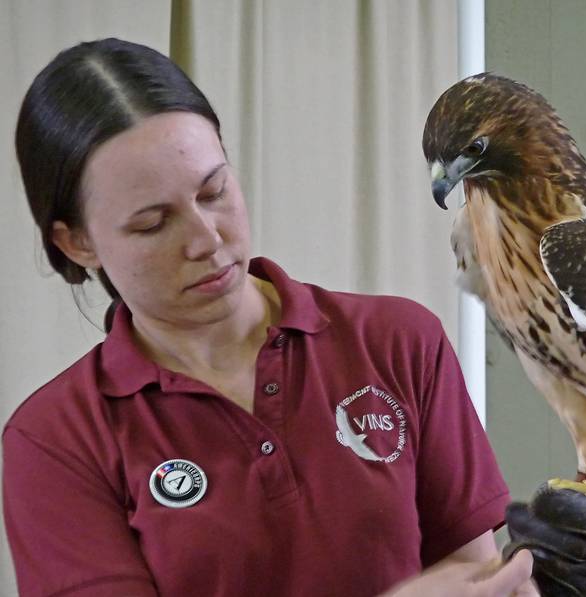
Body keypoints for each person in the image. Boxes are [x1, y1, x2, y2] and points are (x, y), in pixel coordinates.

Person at [4, 38, 536, 596]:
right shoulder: (57, 440)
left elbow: (472, 572)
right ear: (77, 241)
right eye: (152, 223)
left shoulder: (396, 342)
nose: (206, 240)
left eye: (213, 191)